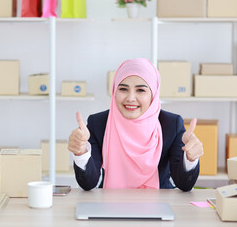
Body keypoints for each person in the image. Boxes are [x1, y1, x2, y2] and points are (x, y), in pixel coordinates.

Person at [68, 58, 203, 191]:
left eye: (141, 90)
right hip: (111, 204)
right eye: (123, 89)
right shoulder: (98, 123)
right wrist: (81, 153)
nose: (131, 98)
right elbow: (88, 183)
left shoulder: (171, 124)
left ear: (153, 94)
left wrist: (190, 159)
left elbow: (184, 184)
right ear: (114, 91)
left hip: (159, 205)